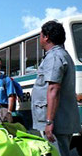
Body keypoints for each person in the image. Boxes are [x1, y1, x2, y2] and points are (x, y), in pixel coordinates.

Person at [31, 20, 81, 156]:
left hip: (56, 123)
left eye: (41, 35)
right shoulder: (62, 55)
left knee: (56, 153)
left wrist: (49, 122)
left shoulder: (54, 57)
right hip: (61, 120)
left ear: (46, 36)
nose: (40, 38)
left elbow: (54, 89)